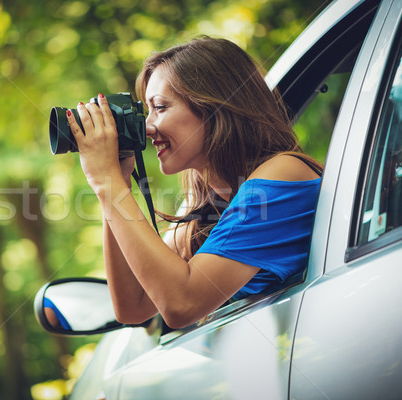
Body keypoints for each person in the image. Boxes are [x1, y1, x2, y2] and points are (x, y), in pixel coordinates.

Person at [65, 36, 322, 329]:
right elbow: (132, 306)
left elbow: (181, 305)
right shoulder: (207, 203)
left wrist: (106, 182)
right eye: (147, 111)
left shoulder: (283, 173)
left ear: (213, 108)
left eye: (160, 107)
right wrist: (117, 182)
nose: (148, 127)